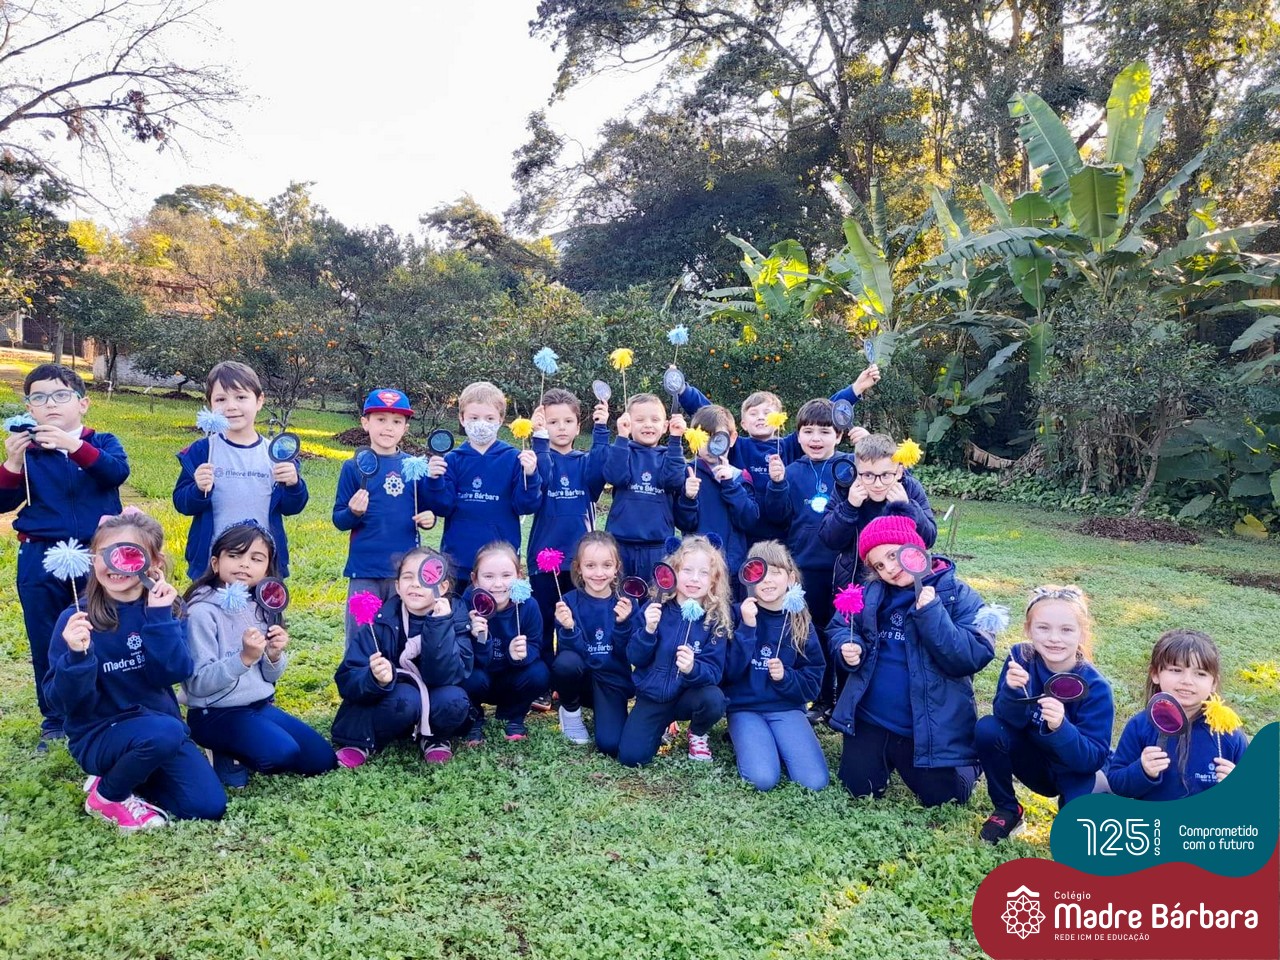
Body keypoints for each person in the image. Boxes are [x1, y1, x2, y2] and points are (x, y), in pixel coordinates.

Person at [44, 510, 226, 829]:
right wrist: (77, 657)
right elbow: (62, 703)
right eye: (105, 554)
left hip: (159, 728)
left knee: (207, 805)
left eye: (128, 555)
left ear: (153, 562)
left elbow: (172, 674)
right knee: (165, 733)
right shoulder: (75, 620)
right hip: (100, 734)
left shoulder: (167, 609)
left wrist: (159, 619)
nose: (115, 565)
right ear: (92, 558)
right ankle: (107, 796)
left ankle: (128, 772)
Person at [827, 504, 996, 807]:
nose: (889, 569)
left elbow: (970, 656)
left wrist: (931, 614)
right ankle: (879, 754)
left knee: (945, 798)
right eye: (879, 565)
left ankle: (970, 764)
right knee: (857, 789)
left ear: (915, 547)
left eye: (893, 555)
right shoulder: (869, 594)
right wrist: (847, 646)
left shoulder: (958, 595)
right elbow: (840, 626)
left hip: (924, 727)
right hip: (872, 718)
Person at [1, 363, 129, 751]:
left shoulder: (101, 442)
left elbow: (115, 473)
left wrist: (74, 447)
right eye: (39, 398)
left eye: (60, 395)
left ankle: (110, 705)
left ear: (82, 403)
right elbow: (3, 502)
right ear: (29, 408)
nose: (50, 404)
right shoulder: (28, 451)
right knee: (47, 637)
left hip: (98, 553)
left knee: (107, 628)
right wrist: (12, 464)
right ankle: (55, 717)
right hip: (40, 554)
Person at [182, 521, 337, 788]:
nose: (244, 564)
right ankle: (223, 750)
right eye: (235, 555)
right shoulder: (201, 612)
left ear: (267, 568)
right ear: (216, 563)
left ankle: (247, 740)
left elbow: (269, 676)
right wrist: (243, 658)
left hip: (258, 706)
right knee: (281, 753)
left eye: (256, 559)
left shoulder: (263, 605)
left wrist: (274, 655)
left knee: (322, 760)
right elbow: (198, 684)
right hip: (214, 713)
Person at [975, 585, 1113, 842]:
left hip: (1077, 771)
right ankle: (1007, 810)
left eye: (1066, 630)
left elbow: (1092, 759)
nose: (1054, 638)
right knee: (988, 728)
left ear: (1082, 633)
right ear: (1029, 629)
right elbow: (1005, 722)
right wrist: (1013, 691)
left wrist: (1061, 727)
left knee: (1079, 835)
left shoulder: (1096, 687)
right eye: (1043, 628)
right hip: (1034, 762)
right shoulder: (1020, 658)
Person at [331, 547, 473, 767]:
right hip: (394, 700)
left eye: (426, 577)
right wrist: (374, 678)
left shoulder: (455, 619)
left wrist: (439, 625)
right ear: (397, 586)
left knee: (454, 699)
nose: (415, 584)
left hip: (435, 694)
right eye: (408, 577)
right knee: (406, 698)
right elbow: (347, 678)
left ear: (443, 587)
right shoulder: (379, 621)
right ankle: (364, 741)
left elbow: (448, 675)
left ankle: (433, 737)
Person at [173, 361, 309, 580]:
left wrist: (294, 485)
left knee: (259, 604)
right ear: (210, 404)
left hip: (261, 563)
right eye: (221, 399)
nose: (231, 406)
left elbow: (292, 507)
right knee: (206, 603)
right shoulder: (203, 451)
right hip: (212, 562)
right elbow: (182, 503)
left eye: (241, 397)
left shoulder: (276, 454)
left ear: (259, 401)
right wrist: (197, 489)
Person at [761, 397, 849, 718]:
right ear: (797, 435)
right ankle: (822, 698)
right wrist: (777, 484)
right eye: (808, 431)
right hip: (803, 568)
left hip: (843, 568)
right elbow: (777, 516)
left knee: (843, 634)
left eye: (825, 432)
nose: (815, 438)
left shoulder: (849, 466)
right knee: (811, 634)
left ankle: (845, 700)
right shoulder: (791, 471)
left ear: (839, 435)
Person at [526, 388, 609, 710]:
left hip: (581, 561)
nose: (561, 427)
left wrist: (601, 430)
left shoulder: (586, 463)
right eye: (552, 422)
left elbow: (600, 472)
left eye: (568, 421)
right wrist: (538, 439)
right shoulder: (540, 459)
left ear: (578, 424)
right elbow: (543, 478)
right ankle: (545, 684)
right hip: (544, 558)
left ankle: (576, 682)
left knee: (579, 622)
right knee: (545, 621)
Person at [722, 541, 828, 791]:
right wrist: (747, 629)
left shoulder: (801, 622)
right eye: (759, 573)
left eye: (775, 572)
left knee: (814, 782)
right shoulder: (737, 615)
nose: (767, 580)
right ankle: (750, 739)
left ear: (790, 578)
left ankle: (779, 741)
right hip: (745, 708)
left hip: (787, 708)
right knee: (762, 778)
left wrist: (785, 677)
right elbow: (726, 673)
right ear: (748, 579)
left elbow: (813, 682)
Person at [616, 535, 730, 766]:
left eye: (704, 573)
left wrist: (692, 668)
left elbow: (714, 672)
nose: (694, 579)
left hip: (688, 696)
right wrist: (648, 631)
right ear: (672, 573)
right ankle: (660, 725)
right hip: (653, 696)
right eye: (687, 570)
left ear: (713, 581)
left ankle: (697, 733)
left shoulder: (714, 621)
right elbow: (634, 657)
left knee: (714, 699)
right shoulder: (655, 608)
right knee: (631, 758)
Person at [332, 388, 437, 630]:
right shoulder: (353, 467)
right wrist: (353, 513)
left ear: (405, 428)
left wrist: (429, 519)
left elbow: (427, 510)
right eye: (381, 419)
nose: (388, 428)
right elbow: (339, 519)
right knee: (362, 635)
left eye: (396, 422)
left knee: (400, 635)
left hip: (404, 571)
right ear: (365, 423)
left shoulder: (414, 466)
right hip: (364, 570)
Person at [422, 381, 541, 587]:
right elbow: (442, 507)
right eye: (474, 418)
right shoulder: (452, 460)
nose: (481, 424)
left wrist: (530, 476)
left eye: (489, 418)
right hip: (458, 562)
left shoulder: (514, 458)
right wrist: (434, 479)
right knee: (457, 607)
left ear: (501, 419)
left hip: (499, 567)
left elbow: (526, 506)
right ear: (462, 418)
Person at [1107, 629, 1248, 801]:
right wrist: (1142, 770)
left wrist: (1238, 788)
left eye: (1200, 674)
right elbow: (1116, 783)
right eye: (1176, 670)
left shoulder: (1228, 734)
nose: (1187, 681)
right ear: (1155, 674)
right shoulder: (1140, 726)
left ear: (1214, 683)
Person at [549, 531, 637, 755]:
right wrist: (569, 629)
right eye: (590, 566)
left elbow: (630, 654)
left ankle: (607, 713)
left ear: (617, 567)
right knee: (566, 663)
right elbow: (569, 656)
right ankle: (570, 711)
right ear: (578, 568)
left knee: (610, 745)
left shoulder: (627, 603)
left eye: (607, 565)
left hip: (611, 682)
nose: (599, 573)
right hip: (582, 680)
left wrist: (623, 624)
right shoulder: (567, 602)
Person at [820, 433, 937, 591]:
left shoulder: (910, 488)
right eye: (868, 475)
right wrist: (849, 507)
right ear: (857, 472)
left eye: (886, 475)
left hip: (903, 581)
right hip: (856, 583)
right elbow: (830, 540)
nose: (878, 484)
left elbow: (929, 539)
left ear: (899, 472)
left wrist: (908, 507)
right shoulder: (845, 489)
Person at [459, 541, 549, 744]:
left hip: (511, 678)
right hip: (480, 677)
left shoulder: (528, 606)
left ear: (519, 576)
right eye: (488, 576)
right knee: (468, 677)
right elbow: (462, 657)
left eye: (506, 575)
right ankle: (474, 717)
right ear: (474, 579)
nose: (498, 584)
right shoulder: (466, 605)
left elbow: (535, 645)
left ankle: (512, 715)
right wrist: (479, 638)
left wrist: (519, 655)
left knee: (539, 673)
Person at [602, 392, 687, 581]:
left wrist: (676, 439)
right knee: (618, 594)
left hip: (658, 547)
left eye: (655, 420)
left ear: (665, 426)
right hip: (619, 544)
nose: (648, 424)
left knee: (655, 595)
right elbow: (615, 476)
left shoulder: (670, 455)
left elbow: (673, 481)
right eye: (639, 420)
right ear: (628, 423)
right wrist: (622, 437)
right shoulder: (622, 451)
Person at [673, 404, 759, 586]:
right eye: (704, 438)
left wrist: (730, 485)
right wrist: (688, 498)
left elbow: (749, 520)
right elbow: (684, 523)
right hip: (697, 570)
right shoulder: (688, 473)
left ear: (732, 438)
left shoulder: (740, 477)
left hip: (732, 570)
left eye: (717, 439)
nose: (710, 446)